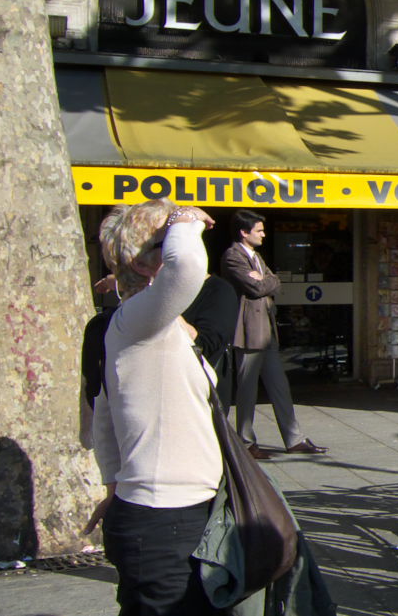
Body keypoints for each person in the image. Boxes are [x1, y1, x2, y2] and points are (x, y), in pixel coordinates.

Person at [86, 200, 223, 616]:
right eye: (168, 243)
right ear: (147, 263)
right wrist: (185, 218)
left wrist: (115, 483)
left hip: (174, 511)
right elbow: (186, 270)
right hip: (164, 518)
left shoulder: (147, 324)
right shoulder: (136, 321)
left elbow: (104, 415)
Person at [221, 209, 325, 459]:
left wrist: (267, 280)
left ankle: (294, 438)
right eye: (259, 230)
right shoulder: (233, 256)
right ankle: (246, 442)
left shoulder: (255, 256)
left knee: (280, 384)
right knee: (247, 389)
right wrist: (266, 281)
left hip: (267, 330)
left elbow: (273, 282)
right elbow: (256, 288)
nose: (264, 234)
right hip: (248, 331)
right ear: (244, 232)